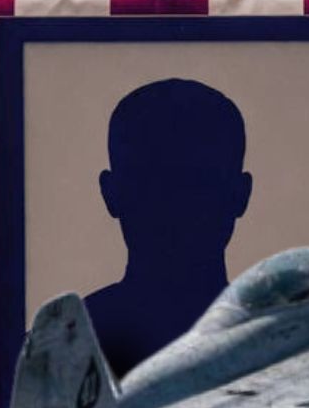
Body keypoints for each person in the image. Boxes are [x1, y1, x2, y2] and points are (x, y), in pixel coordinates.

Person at [83, 77, 253, 375]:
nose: (177, 202)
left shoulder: (61, 347)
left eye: (197, 183)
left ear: (240, 194)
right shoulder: (64, 348)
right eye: (153, 183)